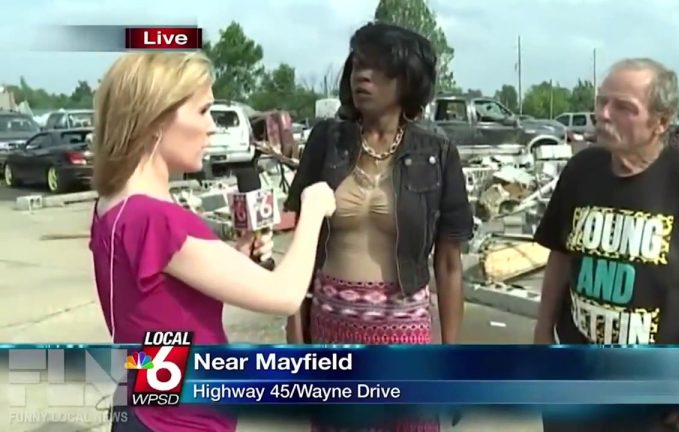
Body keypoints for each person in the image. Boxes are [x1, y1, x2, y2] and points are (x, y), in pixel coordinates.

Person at [89, 52, 336, 432]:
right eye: (203, 111)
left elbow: (155, 297)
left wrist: (232, 260)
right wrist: (314, 208)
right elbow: (285, 294)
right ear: (156, 119)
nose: (212, 128)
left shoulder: (114, 206)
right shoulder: (160, 220)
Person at [533, 58, 679, 432]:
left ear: (660, 122)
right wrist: (541, 340)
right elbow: (561, 258)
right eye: (601, 102)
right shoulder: (581, 171)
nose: (603, 114)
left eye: (623, 107)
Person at [283, 22, 473, 430]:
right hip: (331, 324)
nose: (361, 76)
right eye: (357, 66)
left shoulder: (437, 151)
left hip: (405, 329)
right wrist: (295, 341)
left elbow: (450, 265)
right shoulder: (327, 141)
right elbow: (302, 245)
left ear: (408, 81)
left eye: (377, 68)